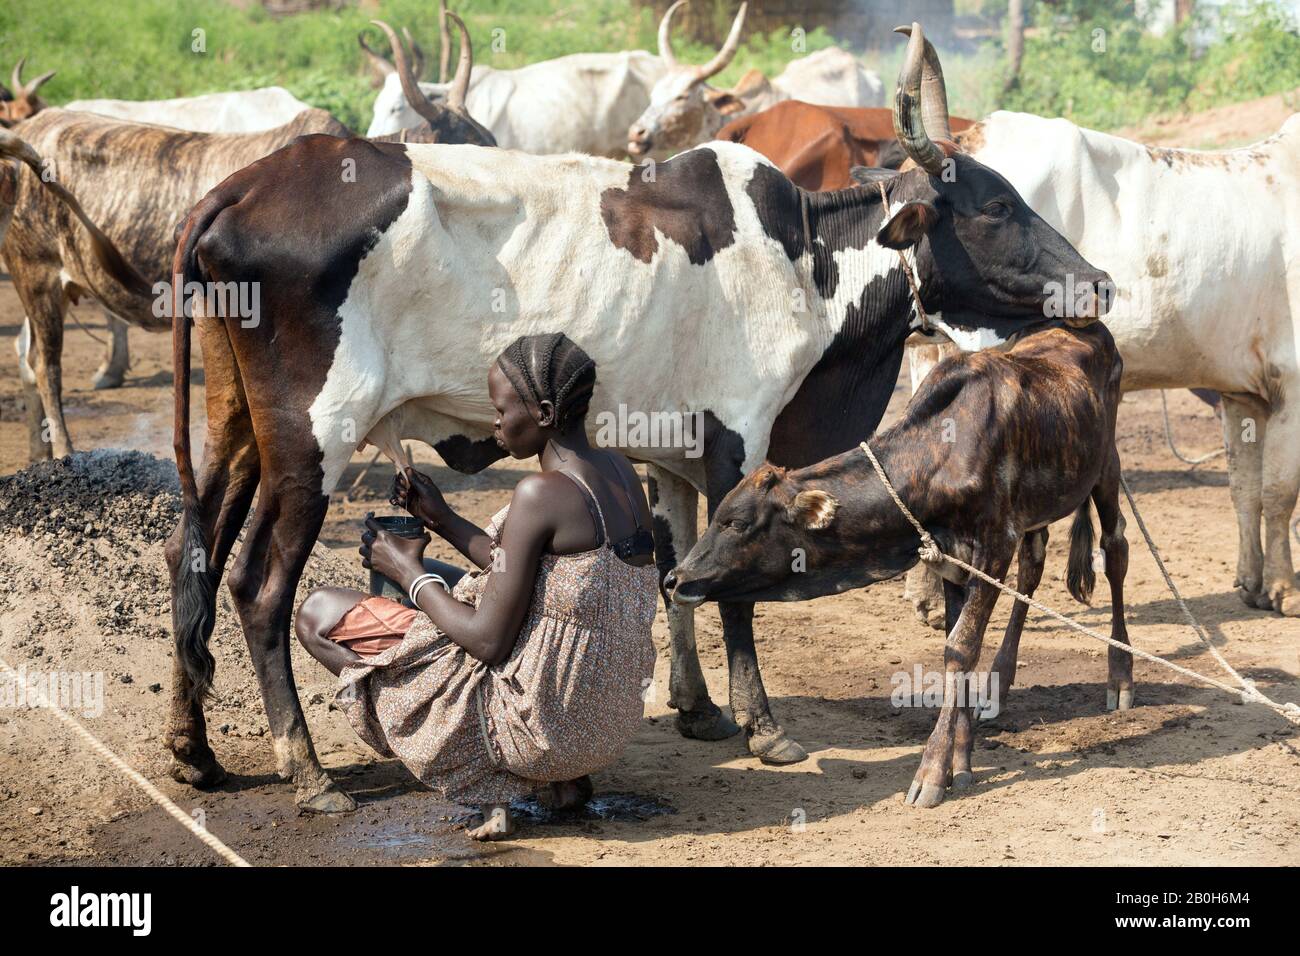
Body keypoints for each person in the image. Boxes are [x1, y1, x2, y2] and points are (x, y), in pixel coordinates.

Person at [294, 333, 659, 840]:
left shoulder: (539, 493)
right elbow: (534, 570)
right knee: (460, 584)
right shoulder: (619, 471)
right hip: (605, 727)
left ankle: (492, 777)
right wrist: (441, 519)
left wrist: (407, 572)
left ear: (546, 412)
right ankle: (564, 781)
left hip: (538, 732)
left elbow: (488, 641)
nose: (494, 423)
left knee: (317, 613)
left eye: (501, 409)